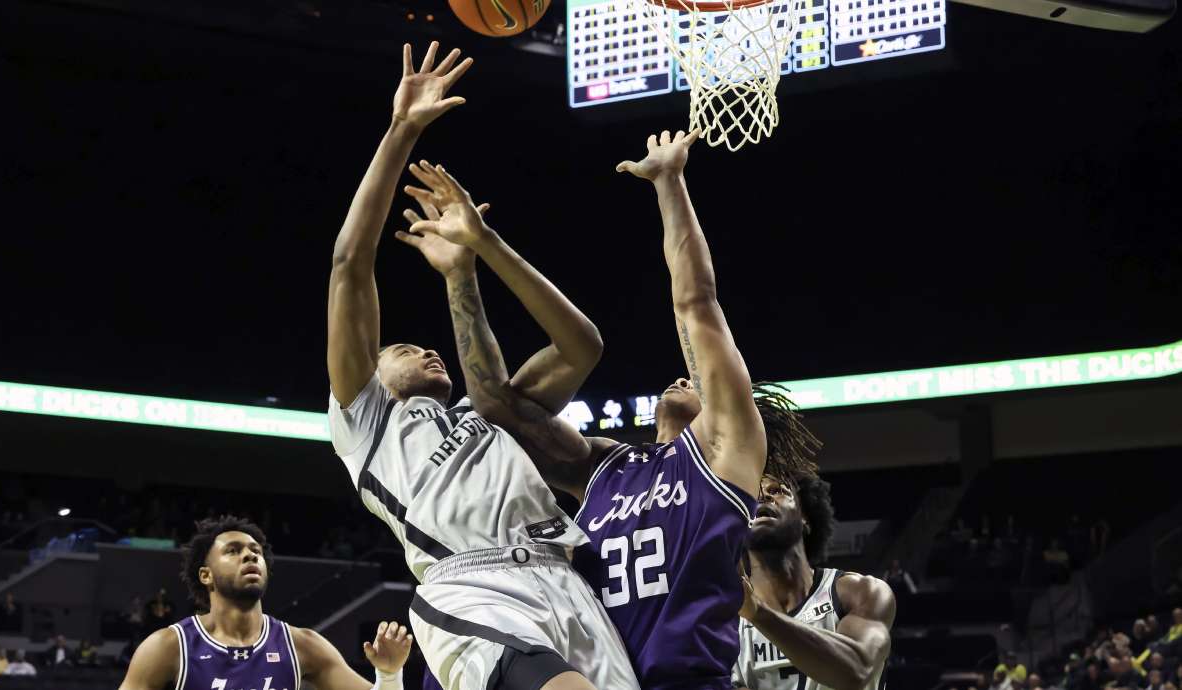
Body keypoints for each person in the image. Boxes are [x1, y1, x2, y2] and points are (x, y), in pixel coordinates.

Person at [396, 130, 809, 690]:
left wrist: (670, 183)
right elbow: (497, 406)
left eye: (699, 380)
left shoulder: (725, 456)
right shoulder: (606, 468)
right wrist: (476, 254)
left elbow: (696, 304)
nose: (680, 376)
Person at [324, 41, 638, 690]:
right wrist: (401, 131)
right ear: (371, 378)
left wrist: (480, 252)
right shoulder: (367, 428)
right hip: (471, 584)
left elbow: (582, 347)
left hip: (568, 579)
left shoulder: (487, 411)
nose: (426, 349)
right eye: (404, 349)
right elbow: (349, 266)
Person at [117, 515, 411, 690]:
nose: (250, 556)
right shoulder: (168, 646)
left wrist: (388, 674)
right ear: (206, 575)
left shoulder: (302, 645)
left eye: (255, 551)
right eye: (233, 551)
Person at [731, 471, 895, 690]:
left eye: (776, 490)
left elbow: (856, 671)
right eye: (751, 495)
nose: (763, 497)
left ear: (804, 516)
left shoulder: (860, 592)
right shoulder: (727, 621)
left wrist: (758, 612)